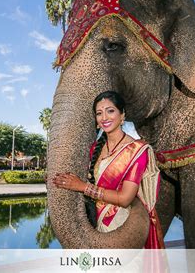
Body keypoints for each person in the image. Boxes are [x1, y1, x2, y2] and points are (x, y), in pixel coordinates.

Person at [52, 91, 165, 249]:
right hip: (93, 224)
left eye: (110, 111)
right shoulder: (94, 149)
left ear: (122, 115)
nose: (104, 117)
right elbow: (85, 178)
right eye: (99, 113)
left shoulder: (137, 150)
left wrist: (83, 187)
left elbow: (125, 198)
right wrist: (58, 178)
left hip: (122, 226)